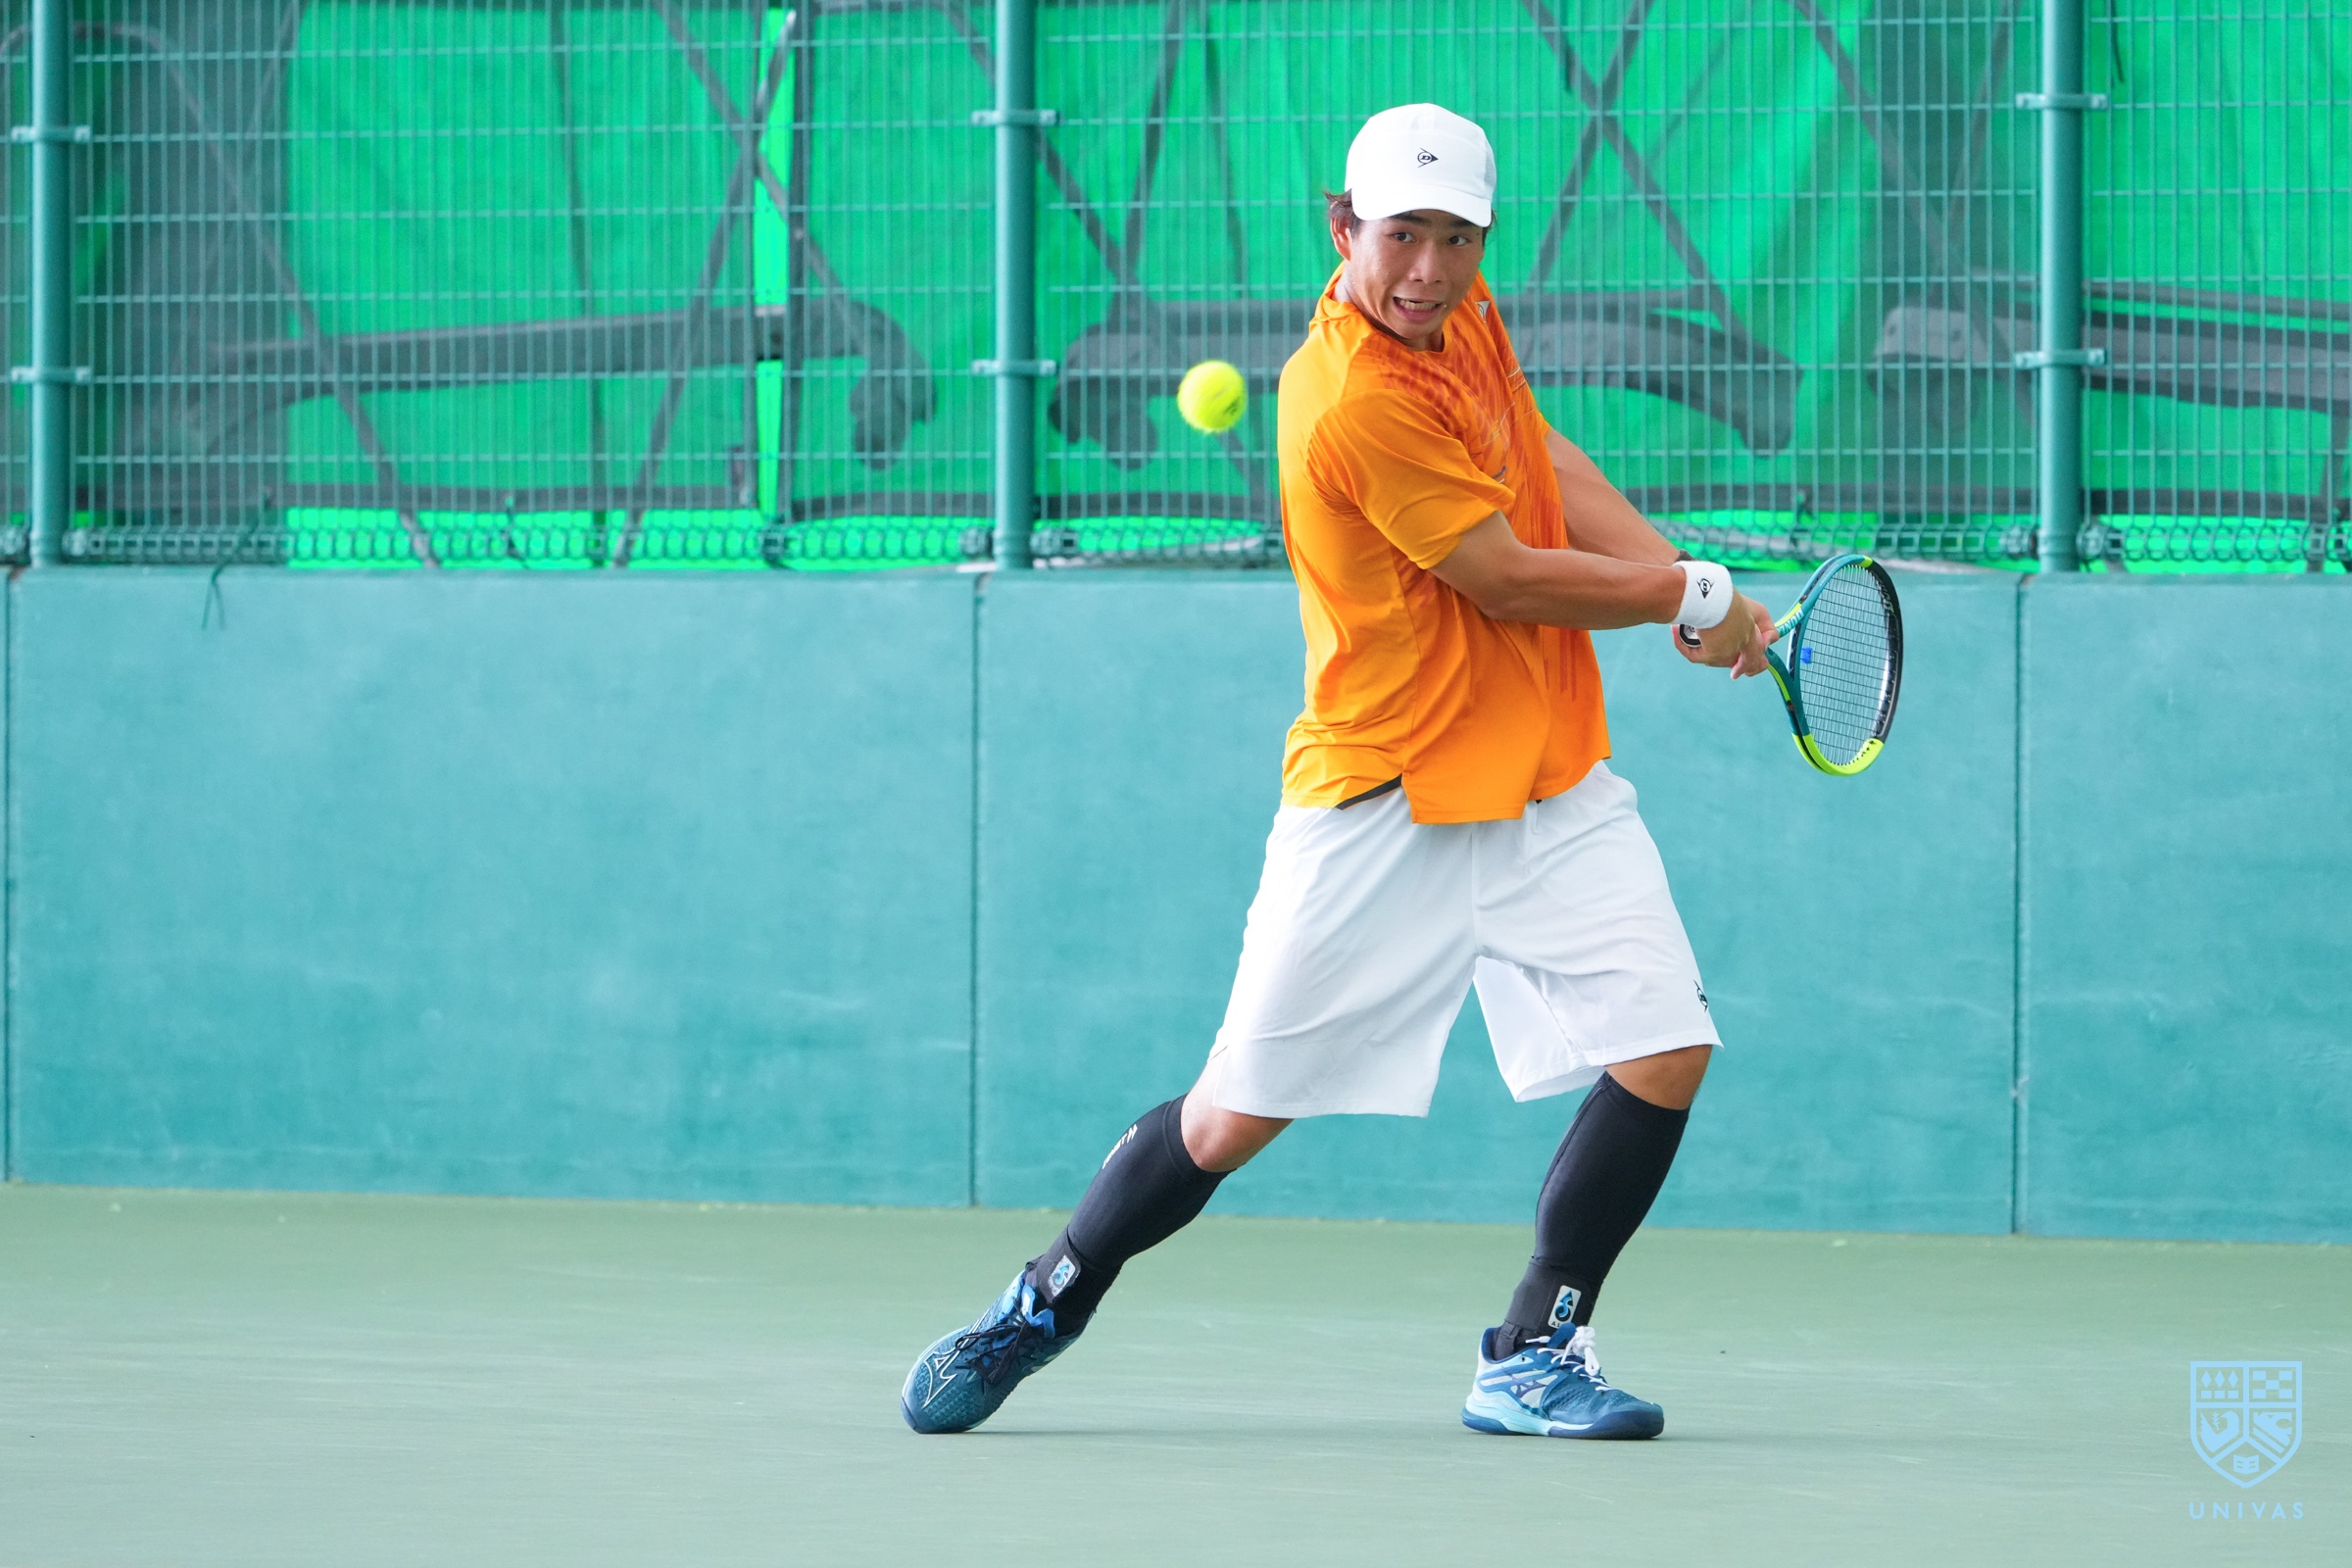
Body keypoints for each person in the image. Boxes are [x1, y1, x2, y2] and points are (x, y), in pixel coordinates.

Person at [902, 103, 1775, 1441]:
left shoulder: (1464, 322)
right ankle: (1047, 1299)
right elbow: (1503, 576)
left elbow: (1538, 457)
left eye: (1457, 239)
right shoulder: (1350, 400)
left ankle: (1533, 1350)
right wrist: (1686, 593)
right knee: (1230, 1120)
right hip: (1385, 802)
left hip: (1543, 780)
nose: (1429, 268)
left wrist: (1680, 580)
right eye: (1402, 235)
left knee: (1666, 1047)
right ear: (1343, 226)